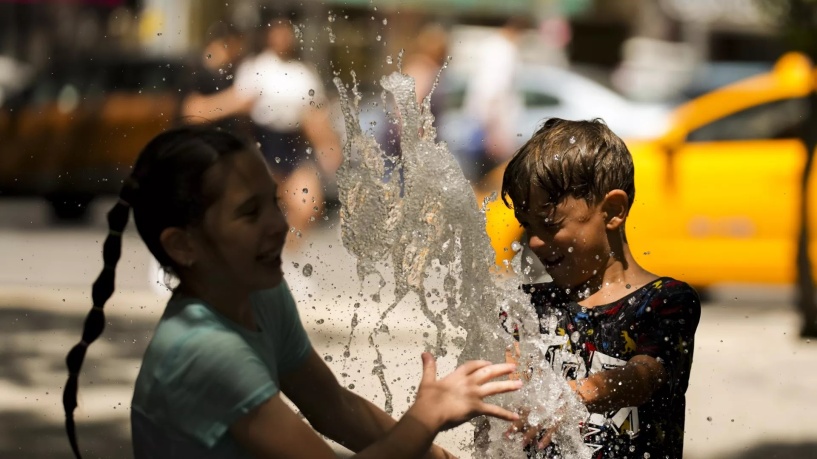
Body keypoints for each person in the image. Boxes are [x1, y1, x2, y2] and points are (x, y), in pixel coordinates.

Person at [61, 126, 522, 459]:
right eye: (249, 212)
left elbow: (332, 406)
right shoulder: (204, 352)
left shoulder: (259, 293)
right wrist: (427, 417)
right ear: (182, 245)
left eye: (273, 201)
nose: (279, 225)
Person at [499, 118, 701, 458]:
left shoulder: (663, 301)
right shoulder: (530, 307)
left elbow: (646, 375)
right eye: (526, 224)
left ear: (612, 211)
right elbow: (509, 384)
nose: (533, 241)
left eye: (549, 224)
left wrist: (576, 394)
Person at [182, 16, 342, 248]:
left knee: (307, 206)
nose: (282, 37)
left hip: (292, 144)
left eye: (286, 31)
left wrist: (327, 145)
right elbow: (236, 104)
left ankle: (287, 259)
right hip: (263, 143)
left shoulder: (303, 72)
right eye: (277, 31)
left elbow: (314, 115)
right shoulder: (255, 67)